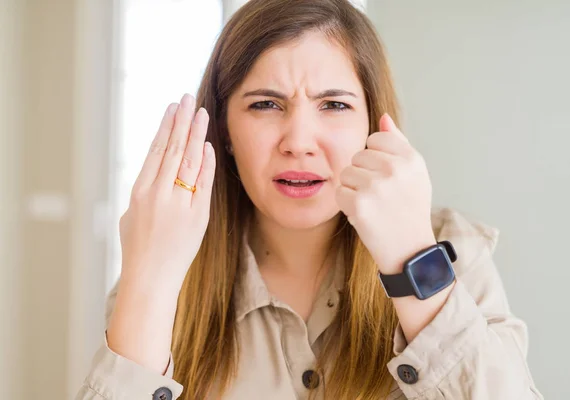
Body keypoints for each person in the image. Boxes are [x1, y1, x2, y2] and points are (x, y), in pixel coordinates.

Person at [76, 0, 543, 399]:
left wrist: (411, 262)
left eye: (334, 105)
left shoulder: (453, 251)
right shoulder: (164, 276)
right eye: (265, 104)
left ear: (372, 125)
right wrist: (150, 278)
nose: (299, 141)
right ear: (225, 132)